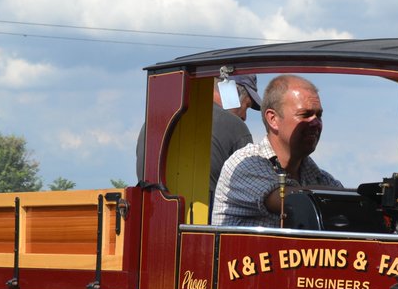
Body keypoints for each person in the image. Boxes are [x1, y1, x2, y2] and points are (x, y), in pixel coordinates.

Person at [212, 74, 341, 227]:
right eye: (305, 115)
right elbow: (294, 201)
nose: (315, 123)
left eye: (318, 116)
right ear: (273, 119)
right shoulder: (245, 164)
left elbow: (348, 203)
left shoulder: (319, 178)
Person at [133, 75, 262, 200]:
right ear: (231, 93)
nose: (244, 117)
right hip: (205, 219)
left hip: (152, 215)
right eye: (246, 106)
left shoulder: (155, 121)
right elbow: (252, 193)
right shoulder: (236, 127)